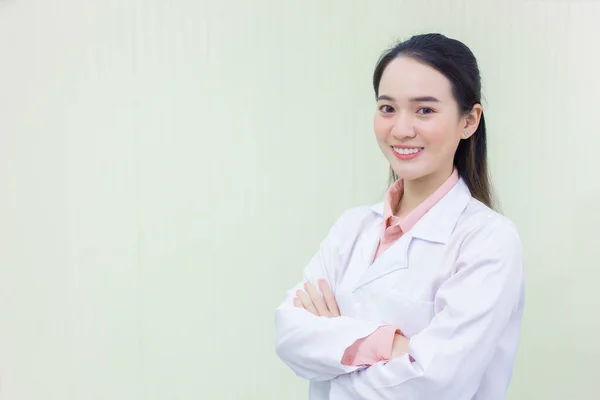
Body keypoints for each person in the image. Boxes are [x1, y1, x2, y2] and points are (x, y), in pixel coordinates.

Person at [273, 33, 525, 400]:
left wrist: (334, 352)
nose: (401, 129)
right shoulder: (352, 227)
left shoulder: (488, 240)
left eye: (424, 110)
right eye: (388, 108)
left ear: (469, 121)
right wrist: (389, 346)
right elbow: (289, 332)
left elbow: (438, 383)